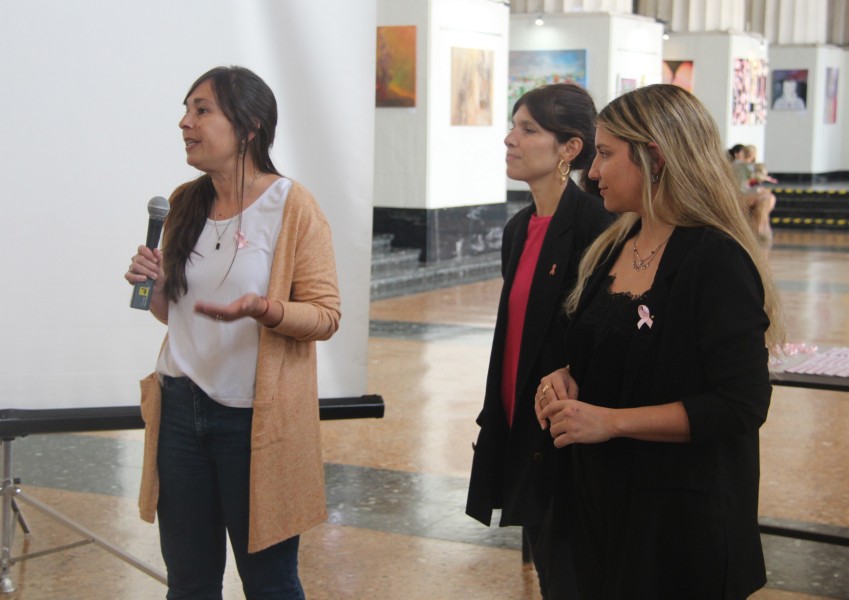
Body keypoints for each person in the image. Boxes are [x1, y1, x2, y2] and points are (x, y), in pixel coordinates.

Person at [534, 84, 784, 599]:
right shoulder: (613, 245)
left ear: (656, 157)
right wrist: (561, 378)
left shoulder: (715, 260)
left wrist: (611, 422)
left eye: (604, 154)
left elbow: (740, 405)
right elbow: (599, 350)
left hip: (675, 524)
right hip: (600, 507)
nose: (592, 171)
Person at [124, 66, 340, 599]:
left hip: (254, 421)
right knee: (190, 582)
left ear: (248, 128)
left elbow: (326, 315)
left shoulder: (292, 207)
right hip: (179, 409)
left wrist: (265, 310)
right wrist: (152, 289)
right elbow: (173, 315)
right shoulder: (183, 203)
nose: (185, 122)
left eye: (202, 110)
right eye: (186, 109)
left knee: (269, 583)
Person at [465, 83, 613, 598]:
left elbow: (597, 342)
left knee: (572, 577)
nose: (511, 138)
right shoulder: (518, 228)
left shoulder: (598, 226)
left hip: (567, 440)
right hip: (521, 427)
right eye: (513, 125)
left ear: (570, 149)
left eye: (528, 129)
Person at [732, 145, 776, 241]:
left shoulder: (738, 166)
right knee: (767, 199)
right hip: (738, 197)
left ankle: (759, 228)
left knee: (767, 199)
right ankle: (760, 228)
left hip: (741, 194)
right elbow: (743, 185)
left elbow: (748, 183)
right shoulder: (745, 167)